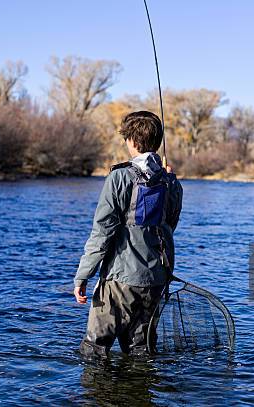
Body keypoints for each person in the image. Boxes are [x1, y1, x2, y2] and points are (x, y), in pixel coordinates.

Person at [73, 110, 183, 357]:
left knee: (94, 350)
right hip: (156, 279)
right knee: (141, 351)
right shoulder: (172, 183)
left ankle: (97, 396)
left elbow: (102, 234)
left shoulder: (119, 177)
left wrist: (83, 275)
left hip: (120, 282)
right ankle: (138, 395)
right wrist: (167, 179)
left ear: (132, 141)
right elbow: (169, 228)